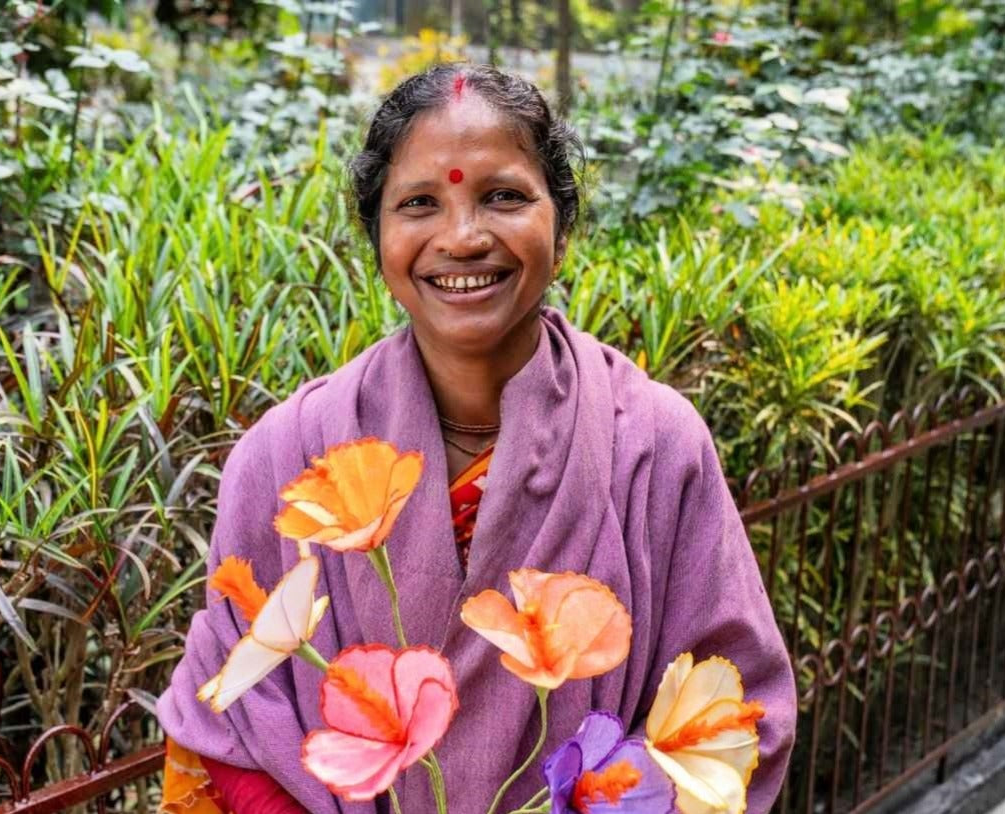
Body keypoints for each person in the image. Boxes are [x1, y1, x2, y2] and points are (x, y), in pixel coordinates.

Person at [157, 63, 796, 814]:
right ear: (378, 239)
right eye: (420, 203)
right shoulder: (286, 457)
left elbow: (732, 718)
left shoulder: (652, 444)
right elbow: (226, 728)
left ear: (560, 229)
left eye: (502, 197)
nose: (462, 238)